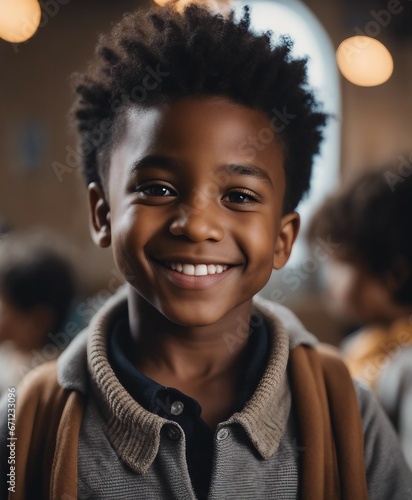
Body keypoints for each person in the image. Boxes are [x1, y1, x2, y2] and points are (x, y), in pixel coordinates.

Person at [1, 5, 411, 499]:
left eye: (239, 196)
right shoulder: (26, 425)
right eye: (155, 188)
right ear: (103, 214)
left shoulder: (346, 414)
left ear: (283, 238)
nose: (196, 224)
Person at [307, 163, 412, 469]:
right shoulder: (367, 346)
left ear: (394, 274)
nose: (329, 281)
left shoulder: (404, 367)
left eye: (339, 264)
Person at [0, 231, 78, 396]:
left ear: (38, 322)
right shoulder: (9, 355)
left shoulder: (40, 381)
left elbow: (10, 422)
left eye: (4, 305)